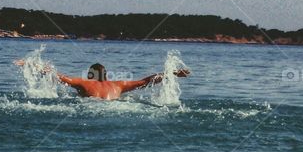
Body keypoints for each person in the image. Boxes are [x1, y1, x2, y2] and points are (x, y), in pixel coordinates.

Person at [15, 60, 190, 100]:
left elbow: (57, 76)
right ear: (106, 76)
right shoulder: (119, 85)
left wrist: (31, 65)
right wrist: (172, 73)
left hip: (91, 106)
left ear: (90, 75)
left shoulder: (84, 83)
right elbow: (147, 81)